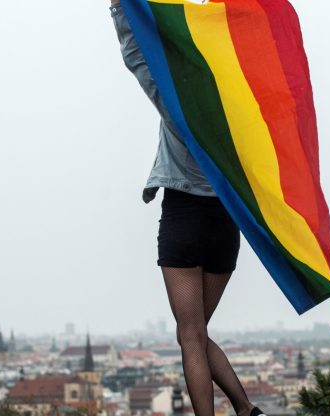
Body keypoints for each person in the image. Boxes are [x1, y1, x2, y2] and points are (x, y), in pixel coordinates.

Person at [109, 2, 265, 416]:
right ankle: (247, 409)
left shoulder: (175, 100)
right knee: (197, 332)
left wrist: (118, 9)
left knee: (191, 335)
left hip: (183, 219)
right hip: (225, 224)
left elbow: (135, 57)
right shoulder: (239, 111)